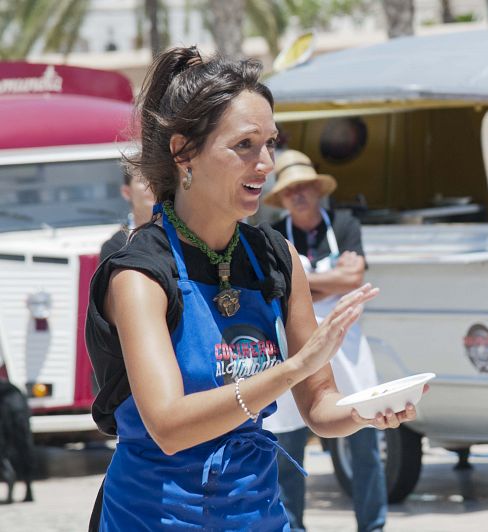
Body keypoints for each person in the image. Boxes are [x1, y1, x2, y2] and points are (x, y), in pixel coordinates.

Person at [85, 46, 420, 531]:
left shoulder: (275, 257)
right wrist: (293, 368)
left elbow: (320, 408)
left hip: (257, 513)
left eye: (270, 143)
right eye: (244, 145)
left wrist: (367, 413)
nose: (265, 163)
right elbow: (170, 425)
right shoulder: (139, 273)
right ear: (184, 152)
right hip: (154, 517)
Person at [261, 150, 387, 532]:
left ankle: (374, 525)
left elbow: (355, 280)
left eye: (303, 187)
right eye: (289, 190)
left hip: (347, 349)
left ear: (317, 190)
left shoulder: (346, 223)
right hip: (296, 347)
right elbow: (278, 291)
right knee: (289, 449)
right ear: (281, 198)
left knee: (365, 443)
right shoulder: (274, 237)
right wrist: (325, 284)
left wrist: (300, 282)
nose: (297, 196)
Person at [99, 165, 156, 261]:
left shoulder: (180, 236)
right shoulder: (115, 247)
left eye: (155, 179)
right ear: (127, 192)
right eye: (142, 180)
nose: (151, 185)